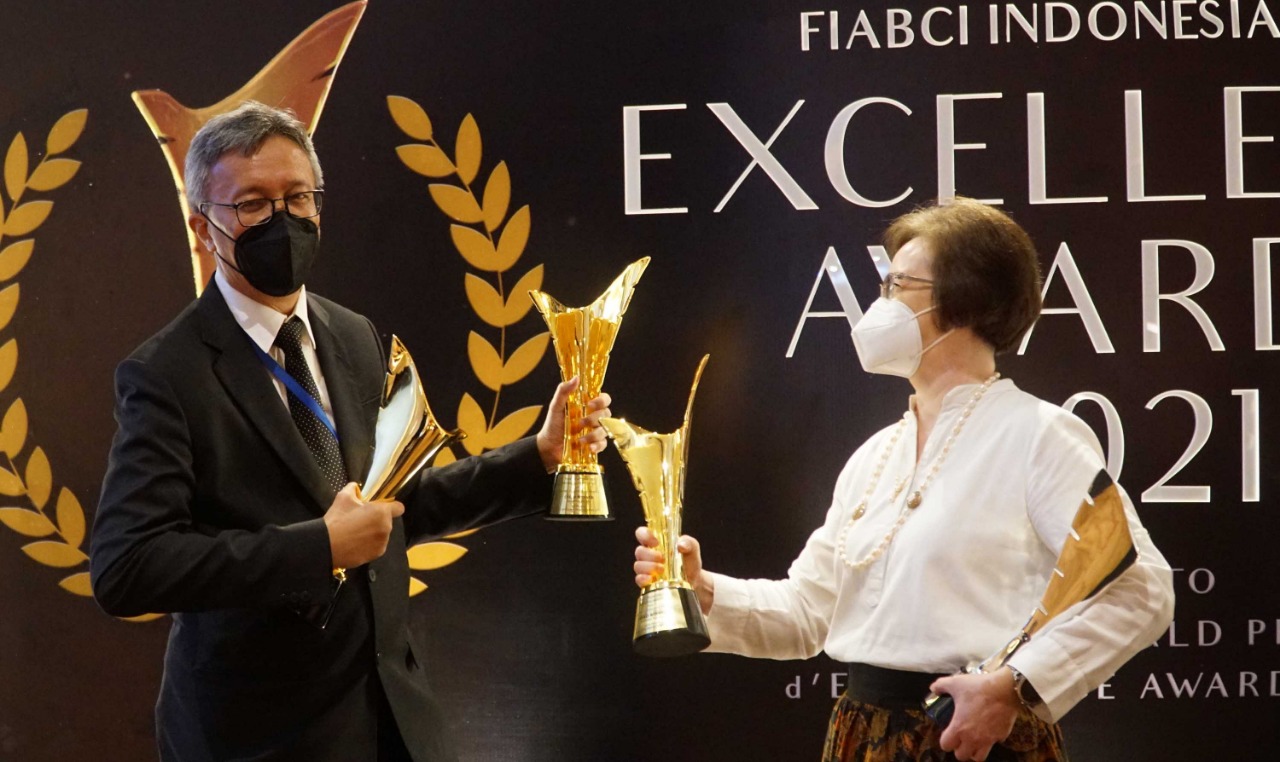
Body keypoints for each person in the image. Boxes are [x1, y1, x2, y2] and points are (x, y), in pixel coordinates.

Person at [89, 101, 610, 762]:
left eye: (298, 197)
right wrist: (320, 547)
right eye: (252, 204)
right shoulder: (167, 373)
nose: (282, 219)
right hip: (256, 740)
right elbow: (128, 567)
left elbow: (396, 504)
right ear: (202, 226)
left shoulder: (353, 335)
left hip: (392, 721)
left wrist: (538, 457)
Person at [633, 198, 1174, 762]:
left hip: (972, 737)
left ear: (965, 300)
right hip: (861, 735)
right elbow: (810, 613)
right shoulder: (876, 454)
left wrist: (1015, 686)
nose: (880, 304)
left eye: (898, 285)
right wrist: (705, 591)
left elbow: (1142, 587)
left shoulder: (1038, 435)